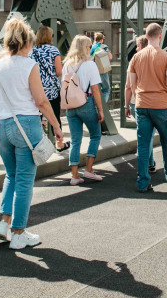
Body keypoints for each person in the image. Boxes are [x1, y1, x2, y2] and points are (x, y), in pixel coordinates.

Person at [0, 16, 64, 250]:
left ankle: (4, 224)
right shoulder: (29, 65)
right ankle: (19, 233)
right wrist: (56, 126)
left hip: (0, 124)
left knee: (11, 175)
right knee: (24, 181)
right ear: (27, 43)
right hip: (25, 125)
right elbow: (41, 101)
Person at [125, 23, 167, 192]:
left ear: (145, 36)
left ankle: (143, 182)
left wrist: (128, 104)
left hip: (141, 105)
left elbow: (130, 85)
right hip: (160, 105)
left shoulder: (136, 57)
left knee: (143, 145)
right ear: (160, 36)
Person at [63, 35, 106, 185]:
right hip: (86, 104)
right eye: (88, 46)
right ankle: (89, 170)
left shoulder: (67, 64)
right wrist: (100, 110)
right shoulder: (90, 65)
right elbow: (95, 89)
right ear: (84, 48)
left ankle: (74, 176)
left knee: (75, 141)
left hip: (70, 106)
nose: (90, 49)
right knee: (95, 134)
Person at [31, 25, 68, 151]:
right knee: (55, 116)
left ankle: (38, 146)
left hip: (36, 89)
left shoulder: (32, 51)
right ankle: (59, 144)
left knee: (37, 118)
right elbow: (58, 71)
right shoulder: (53, 50)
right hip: (51, 89)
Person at [124, 35, 156, 174]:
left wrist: (126, 105)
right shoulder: (157, 60)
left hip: (136, 103)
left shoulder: (133, 62)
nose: (135, 48)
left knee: (144, 136)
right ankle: (150, 163)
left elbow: (128, 86)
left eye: (137, 46)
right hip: (154, 103)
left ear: (142, 46)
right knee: (148, 136)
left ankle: (146, 165)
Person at [90, 32, 111, 103]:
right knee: (106, 89)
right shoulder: (104, 46)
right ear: (102, 39)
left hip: (92, 70)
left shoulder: (91, 47)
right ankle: (102, 105)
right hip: (102, 70)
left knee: (95, 89)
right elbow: (110, 57)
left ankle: (95, 104)